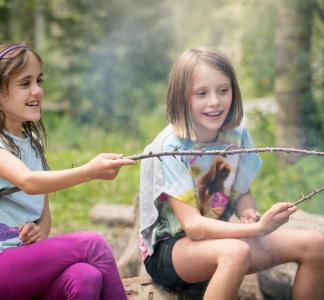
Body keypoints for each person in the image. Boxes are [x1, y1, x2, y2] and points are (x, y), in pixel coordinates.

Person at [139, 47, 324, 300]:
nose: (214, 101)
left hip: (220, 242)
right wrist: (258, 229)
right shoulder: (171, 146)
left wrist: (247, 212)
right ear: (182, 98)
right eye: (202, 93)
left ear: (233, 92)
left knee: (315, 244)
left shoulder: (236, 134)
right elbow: (193, 227)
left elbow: (241, 189)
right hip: (171, 251)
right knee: (236, 252)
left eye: (223, 91)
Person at [0, 42, 136, 300]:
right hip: (3, 265)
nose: (37, 90)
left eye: (39, 81)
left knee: (86, 277)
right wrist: (90, 171)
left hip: (26, 264)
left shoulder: (34, 145)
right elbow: (29, 182)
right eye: (25, 83)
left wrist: (38, 229)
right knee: (93, 244)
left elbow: (45, 215)